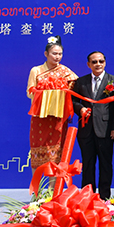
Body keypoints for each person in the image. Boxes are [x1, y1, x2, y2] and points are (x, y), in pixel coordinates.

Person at [71, 51, 114, 199]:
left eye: (100, 61)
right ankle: (87, 197)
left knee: (106, 164)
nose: (98, 64)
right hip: (86, 129)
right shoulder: (81, 82)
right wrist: (80, 109)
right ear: (88, 64)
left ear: (105, 63)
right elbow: (73, 101)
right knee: (88, 164)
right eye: (94, 62)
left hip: (106, 130)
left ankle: (104, 197)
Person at [27, 36, 78, 175]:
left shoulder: (66, 71)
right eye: (54, 53)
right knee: (37, 149)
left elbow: (75, 87)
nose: (57, 57)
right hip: (40, 116)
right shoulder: (36, 70)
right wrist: (44, 93)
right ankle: (36, 186)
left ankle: (52, 186)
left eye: (60, 54)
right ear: (46, 54)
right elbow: (29, 92)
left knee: (56, 151)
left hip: (58, 117)